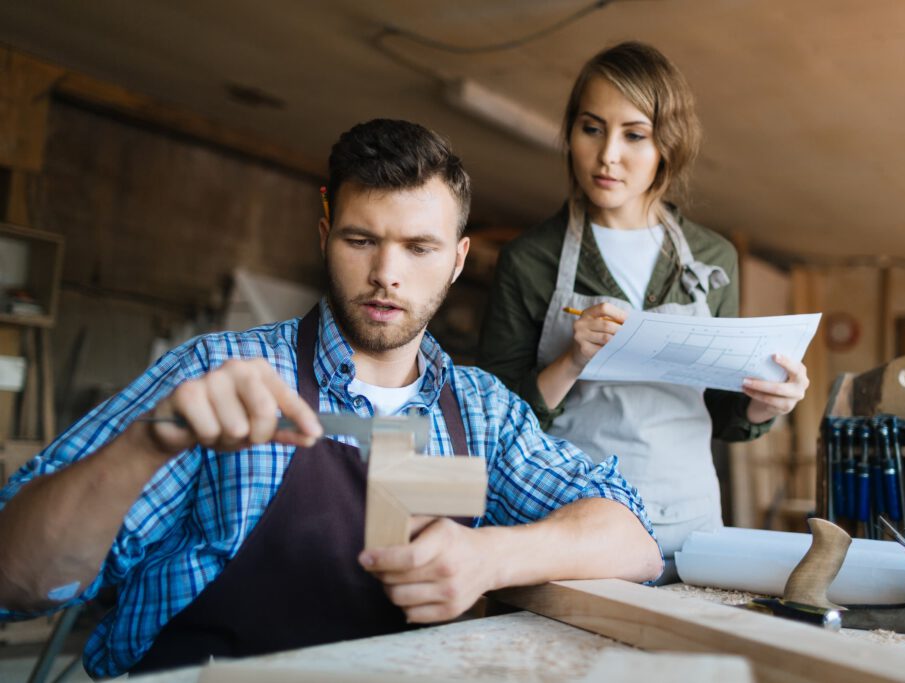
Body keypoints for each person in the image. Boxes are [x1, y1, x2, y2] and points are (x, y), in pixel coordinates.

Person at [0, 119, 662, 677]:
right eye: (361, 239)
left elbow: (634, 541)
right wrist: (143, 445)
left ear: (458, 260)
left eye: (419, 247)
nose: (386, 274)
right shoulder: (216, 373)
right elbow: (15, 580)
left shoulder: (482, 413)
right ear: (324, 235)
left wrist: (490, 556)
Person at [478, 42, 808, 564]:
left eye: (634, 135)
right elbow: (494, 417)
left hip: (692, 522)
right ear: (571, 134)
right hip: (576, 517)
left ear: (667, 146)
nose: (608, 154)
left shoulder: (711, 257)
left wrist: (765, 403)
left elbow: (724, 414)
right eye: (591, 128)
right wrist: (572, 361)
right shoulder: (529, 260)